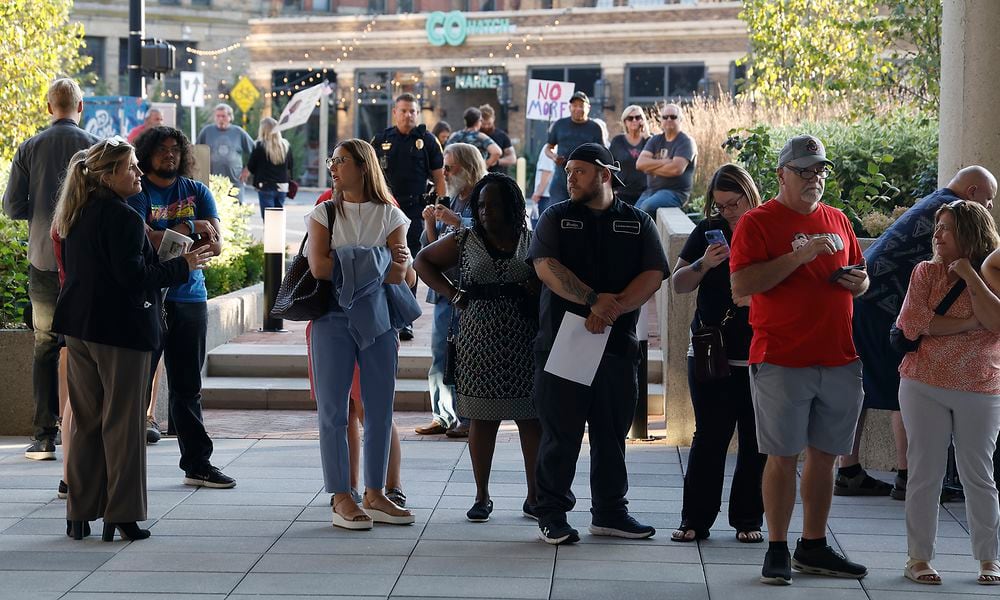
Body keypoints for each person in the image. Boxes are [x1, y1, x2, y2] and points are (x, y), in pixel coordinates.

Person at [51, 137, 211, 541]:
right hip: (121, 331)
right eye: (131, 168)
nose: (139, 173)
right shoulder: (121, 217)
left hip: (80, 328)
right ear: (108, 176)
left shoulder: (76, 212)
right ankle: (121, 514)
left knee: (86, 422)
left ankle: (79, 513)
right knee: (123, 426)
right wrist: (184, 264)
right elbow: (135, 279)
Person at [730, 134, 869, 585]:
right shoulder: (757, 222)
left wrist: (857, 284)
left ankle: (813, 546)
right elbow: (742, 286)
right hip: (781, 357)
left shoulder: (839, 219)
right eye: (805, 170)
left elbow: (862, 276)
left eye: (821, 170)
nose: (816, 179)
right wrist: (801, 253)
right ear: (781, 174)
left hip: (839, 356)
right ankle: (776, 547)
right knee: (782, 457)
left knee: (825, 458)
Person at [529, 143, 669, 545]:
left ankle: (610, 512)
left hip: (616, 347)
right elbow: (545, 267)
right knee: (561, 434)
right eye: (568, 171)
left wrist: (613, 308)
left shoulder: (637, 222)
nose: (568, 177)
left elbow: (653, 273)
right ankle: (552, 512)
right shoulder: (556, 216)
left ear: (605, 175)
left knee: (612, 434)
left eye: (579, 171)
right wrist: (593, 299)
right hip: (563, 345)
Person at [837, 166, 998, 499]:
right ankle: (907, 475)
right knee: (906, 380)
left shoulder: (932, 205)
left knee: (866, 386)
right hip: (881, 305)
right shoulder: (951, 214)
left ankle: (851, 470)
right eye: (989, 198)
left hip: (867, 301)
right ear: (971, 192)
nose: (991, 207)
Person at [416, 172, 542, 522]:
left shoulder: (531, 240)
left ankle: (534, 495)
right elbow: (422, 262)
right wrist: (454, 295)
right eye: (481, 205)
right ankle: (482, 495)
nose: (486, 211)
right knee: (482, 420)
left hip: (523, 338)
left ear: (512, 207)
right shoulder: (463, 239)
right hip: (477, 340)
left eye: (494, 205)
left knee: (530, 418)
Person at [307, 139, 419, 530]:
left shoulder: (390, 214)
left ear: (362, 165)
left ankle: (375, 492)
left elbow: (400, 273)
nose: (333, 167)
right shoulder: (324, 213)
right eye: (331, 160)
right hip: (333, 318)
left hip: (379, 319)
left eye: (341, 161)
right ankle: (341, 495)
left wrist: (350, 258)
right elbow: (319, 268)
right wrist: (376, 257)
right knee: (334, 411)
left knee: (380, 406)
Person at [895, 200, 1000, 586]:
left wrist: (971, 278)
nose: (937, 235)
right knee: (925, 472)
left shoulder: (993, 273)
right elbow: (914, 324)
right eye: (937, 226)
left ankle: (989, 559)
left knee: (979, 475)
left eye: (947, 228)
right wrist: (972, 321)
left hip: (981, 386)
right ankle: (918, 558)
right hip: (923, 383)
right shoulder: (925, 272)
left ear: (970, 234)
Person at [129, 127, 236, 490]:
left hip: (190, 297)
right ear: (147, 153)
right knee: (135, 386)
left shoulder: (198, 191)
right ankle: (122, 465)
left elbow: (216, 246)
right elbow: (141, 239)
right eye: (161, 149)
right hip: (147, 299)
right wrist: (190, 225)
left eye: (175, 149)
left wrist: (169, 233)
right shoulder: (138, 191)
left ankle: (197, 463)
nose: (169, 155)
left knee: (187, 385)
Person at [2, 78, 98, 461]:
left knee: (45, 345)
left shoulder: (28, 147)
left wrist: (41, 217)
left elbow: (11, 206)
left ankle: (43, 435)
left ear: (48, 108)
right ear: (80, 106)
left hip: (43, 257)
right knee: (85, 345)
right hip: (87, 261)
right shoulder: (94, 147)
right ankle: (85, 429)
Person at [670, 164, 766, 544]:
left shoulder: (765, 229)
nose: (727, 212)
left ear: (749, 194)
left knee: (755, 439)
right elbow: (678, 283)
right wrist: (703, 263)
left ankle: (747, 519)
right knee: (709, 436)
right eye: (720, 205)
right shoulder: (707, 231)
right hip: (712, 349)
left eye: (733, 203)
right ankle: (695, 519)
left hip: (758, 351)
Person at [413, 143, 485, 439]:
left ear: (468, 168)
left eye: (449, 167)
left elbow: (494, 232)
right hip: (446, 291)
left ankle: (467, 418)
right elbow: (431, 249)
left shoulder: (483, 197)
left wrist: (457, 222)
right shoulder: (454, 198)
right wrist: (431, 223)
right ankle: (443, 416)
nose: (444, 172)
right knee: (440, 353)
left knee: (466, 355)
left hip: (471, 291)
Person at [372, 93, 446, 341]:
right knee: (381, 260)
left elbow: (439, 178)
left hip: (414, 210)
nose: (408, 115)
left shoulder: (427, 140)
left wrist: (441, 207)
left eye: (412, 111)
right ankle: (382, 314)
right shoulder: (381, 139)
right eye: (403, 111)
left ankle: (405, 319)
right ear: (395, 112)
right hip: (384, 209)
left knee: (407, 260)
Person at [544, 91, 606, 206]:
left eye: (581, 106)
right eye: (574, 105)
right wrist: (554, 156)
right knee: (558, 214)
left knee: (583, 216)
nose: (577, 108)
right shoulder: (559, 125)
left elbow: (602, 153)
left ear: (588, 108)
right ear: (570, 107)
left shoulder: (595, 128)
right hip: (561, 179)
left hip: (585, 181)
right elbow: (548, 148)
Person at [635, 103, 697, 216]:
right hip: (651, 191)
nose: (669, 119)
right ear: (661, 120)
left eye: (673, 117)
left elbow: (676, 169)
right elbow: (640, 164)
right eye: (665, 117)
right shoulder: (655, 140)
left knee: (646, 207)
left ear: (680, 120)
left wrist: (650, 169)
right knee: (633, 214)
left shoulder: (686, 142)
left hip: (675, 193)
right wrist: (664, 162)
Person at [196, 103, 255, 204]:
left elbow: (255, 152)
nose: (220, 119)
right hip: (213, 182)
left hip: (235, 181)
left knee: (236, 211)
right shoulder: (207, 131)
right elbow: (196, 152)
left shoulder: (238, 132)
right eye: (218, 116)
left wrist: (248, 169)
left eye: (223, 116)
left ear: (230, 117)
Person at [247, 116, 294, 219]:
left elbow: (251, 166)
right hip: (282, 185)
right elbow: (290, 166)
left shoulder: (259, 146)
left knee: (268, 219)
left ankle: (269, 235)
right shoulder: (285, 146)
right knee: (278, 217)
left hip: (265, 185)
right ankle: (278, 235)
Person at [608, 105, 650, 206]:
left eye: (638, 117)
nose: (634, 120)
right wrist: (611, 189)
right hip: (622, 192)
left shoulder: (650, 140)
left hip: (646, 193)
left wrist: (647, 135)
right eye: (630, 118)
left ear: (642, 120)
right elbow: (609, 166)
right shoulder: (617, 141)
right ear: (625, 122)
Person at [479, 104, 516, 175]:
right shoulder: (474, 136)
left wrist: (497, 161)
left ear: (493, 118)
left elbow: (512, 158)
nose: (486, 126)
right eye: (483, 124)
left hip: (496, 177)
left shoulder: (502, 135)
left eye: (489, 124)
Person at [530, 145, 556, 223]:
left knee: (538, 225)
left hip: (544, 196)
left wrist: (538, 193)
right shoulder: (560, 147)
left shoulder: (548, 149)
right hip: (552, 194)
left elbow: (547, 171)